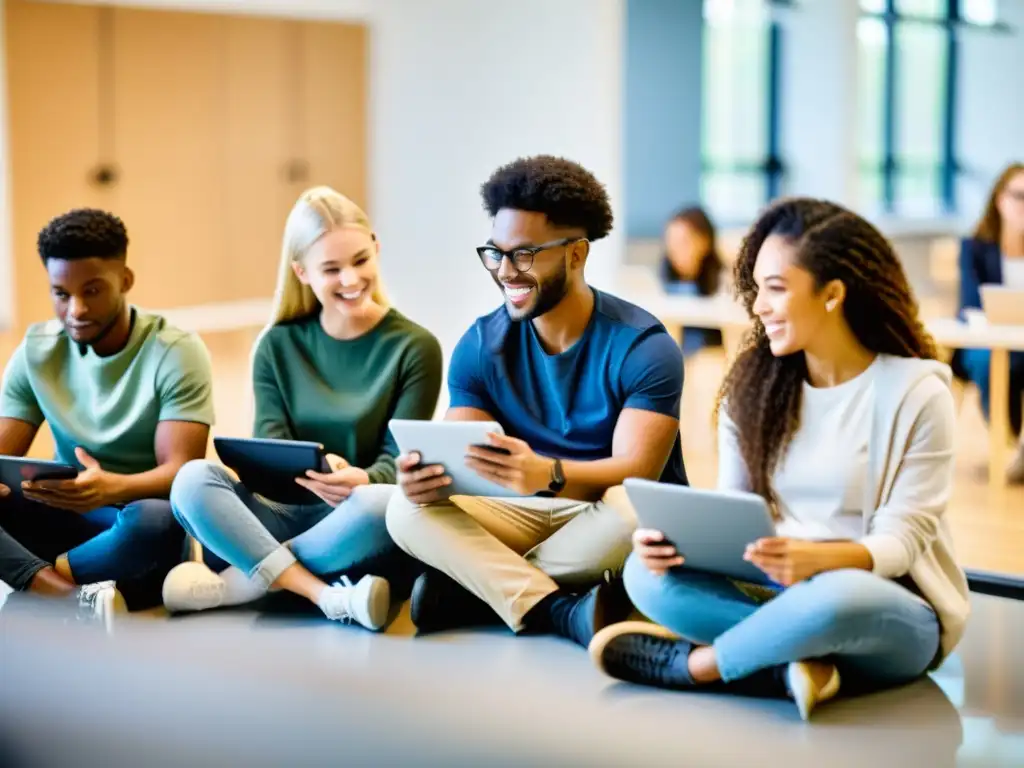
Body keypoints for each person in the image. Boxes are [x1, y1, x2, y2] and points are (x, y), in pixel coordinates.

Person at [588, 198, 971, 720]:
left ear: (833, 294)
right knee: (642, 574)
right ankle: (795, 664)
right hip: (775, 588)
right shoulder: (753, 388)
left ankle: (699, 667)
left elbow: (902, 542)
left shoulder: (916, 392)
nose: (759, 306)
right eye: (757, 288)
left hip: (882, 604)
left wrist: (822, 558)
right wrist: (682, 547)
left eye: (777, 288)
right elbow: (734, 511)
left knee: (834, 600)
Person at [385, 155, 688, 648]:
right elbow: (457, 459)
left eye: (524, 255)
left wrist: (548, 473)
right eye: (495, 253)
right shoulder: (481, 345)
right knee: (404, 509)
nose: (506, 272)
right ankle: (556, 609)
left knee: (633, 510)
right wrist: (423, 476)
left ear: (576, 255)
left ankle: (478, 587)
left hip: (599, 516)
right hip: (519, 511)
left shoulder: (643, 347)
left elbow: (635, 473)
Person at [163, 187, 443, 631]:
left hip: (353, 524)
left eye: (360, 261)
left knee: (381, 503)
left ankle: (244, 580)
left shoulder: (415, 347)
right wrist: (316, 467)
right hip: (276, 514)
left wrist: (364, 478)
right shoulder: (276, 345)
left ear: (376, 247)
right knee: (192, 478)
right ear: (302, 272)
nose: (350, 280)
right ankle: (325, 594)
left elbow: (398, 461)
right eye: (331, 269)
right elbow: (267, 450)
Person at [0, 208, 214, 624]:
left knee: (157, 518)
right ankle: (69, 598)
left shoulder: (175, 351)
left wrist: (110, 489)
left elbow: (182, 471)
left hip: (138, 538)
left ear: (125, 280)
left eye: (92, 291)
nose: (76, 310)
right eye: (61, 294)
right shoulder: (35, 352)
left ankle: (32, 585)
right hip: (63, 525)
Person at [955, 162, 1024, 483]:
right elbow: (970, 303)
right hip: (984, 342)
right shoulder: (975, 247)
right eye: (1019, 195)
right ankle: (1007, 443)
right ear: (1000, 199)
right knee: (988, 363)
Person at [658, 206, 725, 357]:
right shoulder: (664, 279)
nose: (675, 250)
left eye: (684, 242)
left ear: (705, 242)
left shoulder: (722, 281)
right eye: (670, 242)